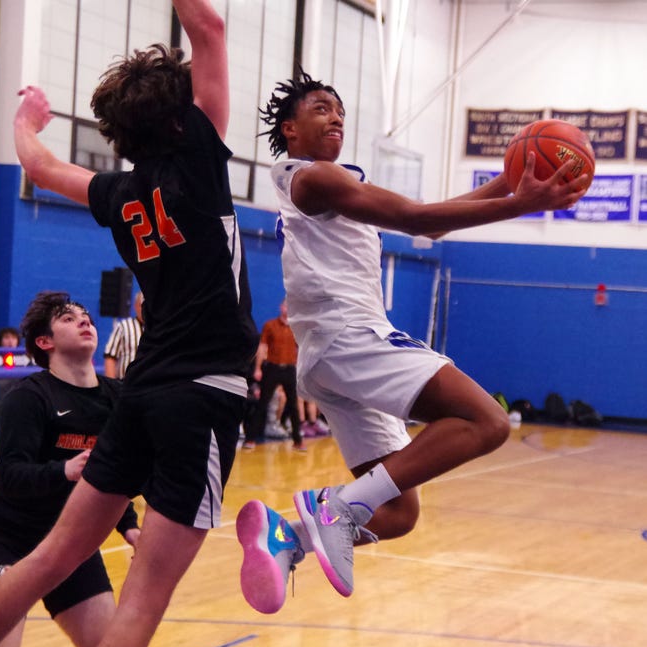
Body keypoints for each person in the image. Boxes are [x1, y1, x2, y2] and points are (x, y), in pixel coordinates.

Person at [235, 71, 589, 614]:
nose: (336, 117)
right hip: (350, 336)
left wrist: (510, 183)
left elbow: (432, 227)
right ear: (290, 129)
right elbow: (414, 217)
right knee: (487, 422)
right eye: (322, 109)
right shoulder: (312, 178)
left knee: (398, 514)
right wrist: (522, 205)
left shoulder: (330, 185)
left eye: (341, 111)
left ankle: (288, 538)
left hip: (331, 354)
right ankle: (334, 508)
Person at [0, 2, 258, 647]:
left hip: (140, 393)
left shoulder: (121, 195)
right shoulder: (197, 155)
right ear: (179, 117)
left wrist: (24, 122)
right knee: (141, 604)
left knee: (50, 559)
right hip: (203, 392)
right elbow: (208, 25)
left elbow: (44, 168)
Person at [0, 291, 140, 647]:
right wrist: (64, 470)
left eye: (84, 315)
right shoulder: (29, 397)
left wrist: (130, 525)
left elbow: (117, 474)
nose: (84, 320)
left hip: (70, 540)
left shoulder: (117, 398)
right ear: (45, 342)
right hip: (6, 541)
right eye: (68, 319)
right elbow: (8, 475)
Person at [243, 299, 304, 451]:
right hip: (272, 368)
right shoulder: (270, 325)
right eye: (286, 306)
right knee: (263, 403)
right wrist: (258, 368)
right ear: (281, 307)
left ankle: (298, 441)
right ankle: (250, 439)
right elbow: (262, 347)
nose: (288, 309)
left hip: (290, 369)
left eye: (291, 306)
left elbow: (302, 348)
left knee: (293, 405)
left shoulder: (296, 327)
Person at [103, 290, 144, 379]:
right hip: (125, 383)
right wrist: (112, 386)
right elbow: (110, 356)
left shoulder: (158, 329)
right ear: (136, 306)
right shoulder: (123, 326)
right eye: (142, 306)